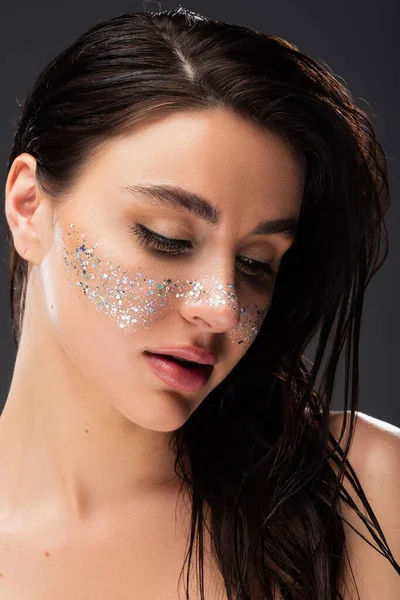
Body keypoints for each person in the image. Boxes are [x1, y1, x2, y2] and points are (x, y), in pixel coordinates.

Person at [0, 6, 399, 600]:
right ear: (30, 205)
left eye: (257, 264)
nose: (223, 308)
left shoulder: (369, 495)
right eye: (168, 237)